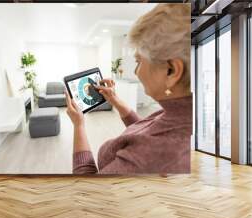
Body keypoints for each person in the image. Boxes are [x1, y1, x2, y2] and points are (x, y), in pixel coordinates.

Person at [65, 3, 192, 174]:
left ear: (171, 71)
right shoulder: (180, 113)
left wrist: (78, 125)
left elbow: (88, 188)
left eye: (139, 61)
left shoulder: (155, 156)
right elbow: (145, 132)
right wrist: (115, 100)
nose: (135, 71)